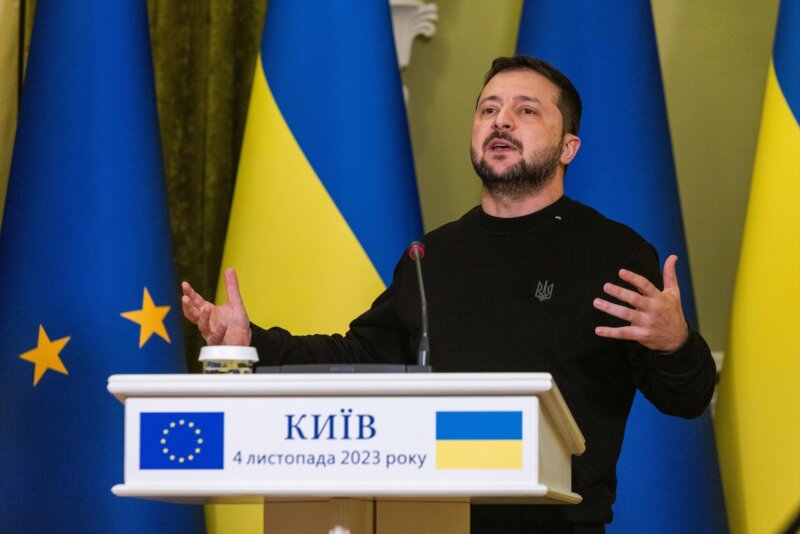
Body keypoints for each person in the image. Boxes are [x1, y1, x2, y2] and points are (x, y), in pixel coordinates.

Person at [182, 55, 716, 534]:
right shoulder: (431, 258)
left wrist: (675, 344)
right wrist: (252, 342)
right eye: (488, 109)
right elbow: (360, 356)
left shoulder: (612, 254)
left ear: (568, 148)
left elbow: (686, 398)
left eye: (526, 111)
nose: (501, 120)